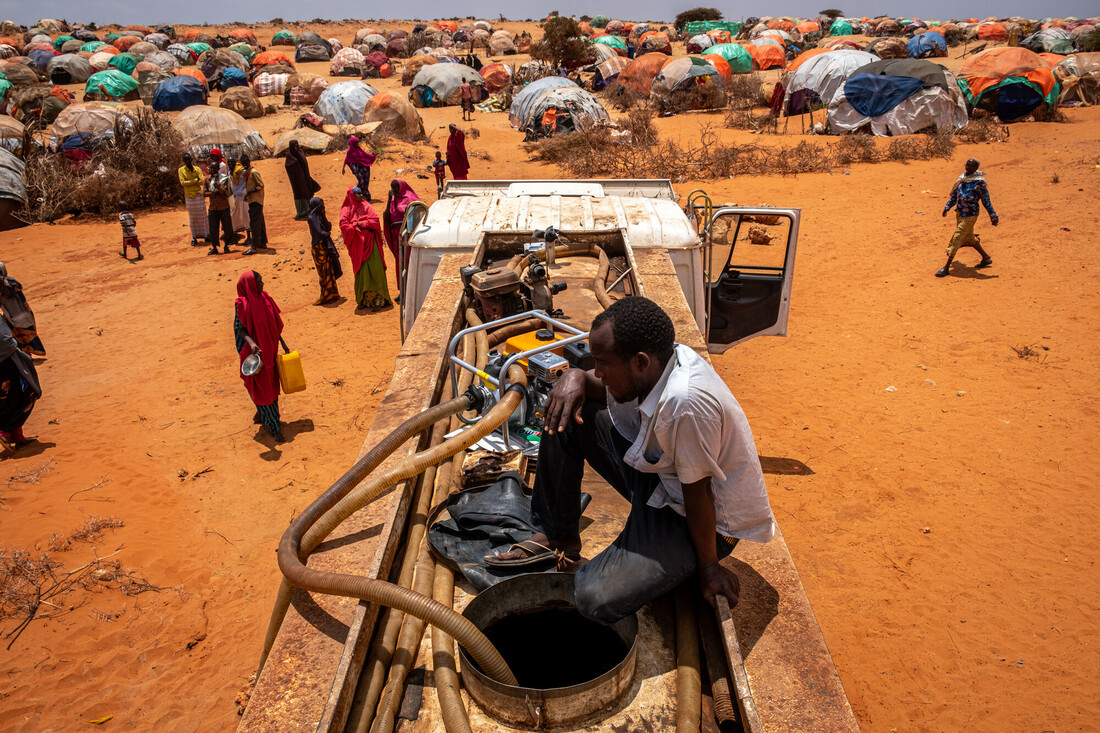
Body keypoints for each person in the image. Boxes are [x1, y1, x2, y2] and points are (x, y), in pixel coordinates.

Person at [490, 297, 774, 624]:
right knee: (562, 410)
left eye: (602, 364)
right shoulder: (656, 365)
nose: (598, 373)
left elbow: (699, 493)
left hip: (698, 517)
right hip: (663, 476)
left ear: (639, 362)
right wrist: (575, 378)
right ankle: (557, 534)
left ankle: (681, 558)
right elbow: (598, 387)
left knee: (593, 598)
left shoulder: (685, 405)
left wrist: (708, 567)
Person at [234, 270, 286, 443]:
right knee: (262, 387)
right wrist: (252, 344)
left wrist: (283, 343)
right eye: (258, 281)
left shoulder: (265, 298)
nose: (262, 284)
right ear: (250, 285)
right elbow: (240, 330)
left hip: (270, 350)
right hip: (255, 353)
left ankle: (263, 413)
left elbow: (274, 323)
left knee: (271, 385)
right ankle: (274, 427)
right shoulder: (242, 304)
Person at [937, 157, 997, 278]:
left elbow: (986, 201)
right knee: (969, 238)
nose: (968, 167)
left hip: (971, 215)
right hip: (960, 214)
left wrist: (993, 215)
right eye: (967, 165)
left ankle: (946, 268)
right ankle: (986, 258)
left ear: (976, 168)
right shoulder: (962, 179)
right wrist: (947, 207)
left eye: (971, 166)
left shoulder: (979, 183)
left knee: (957, 237)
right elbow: (955, 196)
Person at [339, 186, 391, 310]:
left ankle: (380, 301)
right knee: (362, 272)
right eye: (358, 194)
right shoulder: (345, 210)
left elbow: (375, 220)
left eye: (361, 193)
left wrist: (360, 223)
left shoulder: (366, 206)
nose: (361, 196)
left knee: (375, 269)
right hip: (358, 246)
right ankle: (364, 300)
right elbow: (344, 226)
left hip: (371, 243)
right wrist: (355, 227)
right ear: (352, 195)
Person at [0, 317, 41, 452]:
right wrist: (17, 345)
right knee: (28, 394)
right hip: (7, 363)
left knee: (12, 397)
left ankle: (17, 437)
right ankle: (5, 432)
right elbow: (6, 343)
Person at [382, 179, 421, 295]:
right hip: (397, 237)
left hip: (407, 236)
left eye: (396, 187)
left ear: (401, 187)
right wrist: (389, 200)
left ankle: (412, 290)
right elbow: (386, 217)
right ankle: (403, 291)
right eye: (392, 187)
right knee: (400, 262)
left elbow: (415, 218)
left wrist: (397, 224)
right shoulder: (393, 200)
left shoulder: (410, 199)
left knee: (409, 261)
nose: (394, 190)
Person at [0, 263, 45, 356]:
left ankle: (27, 353)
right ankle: (26, 353)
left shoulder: (9, 283)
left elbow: (19, 297)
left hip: (16, 314)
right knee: (21, 334)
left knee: (22, 334)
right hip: (15, 314)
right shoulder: (10, 283)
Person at [305, 197, 341, 305]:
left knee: (329, 270)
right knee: (324, 273)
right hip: (318, 248)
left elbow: (327, 227)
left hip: (325, 245)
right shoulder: (311, 218)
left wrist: (324, 215)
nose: (322, 207)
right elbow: (319, 231)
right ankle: (326, 296)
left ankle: (333, 294)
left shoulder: (320, 216)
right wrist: (325, 233)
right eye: (320, 205)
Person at [204, 149, 236, 255]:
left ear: (218, 169)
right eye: (211, 168)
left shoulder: (224, 178)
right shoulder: (207, 180)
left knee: (227, 227)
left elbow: (226, 193)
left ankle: (226, 246)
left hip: (224, 207)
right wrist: (213, 193)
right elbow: (204, 193)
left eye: (214, 168)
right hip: (213, 207)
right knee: (213, 229)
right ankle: (214, 247)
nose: (213, 170)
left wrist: (218, 187)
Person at [285, 139, 320, 220]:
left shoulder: (300, 153)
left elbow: (304, 164)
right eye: (294, 146)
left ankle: (308, 210)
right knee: (298, 193)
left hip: (304, 177)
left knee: (305, 191)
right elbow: (288, 166)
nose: (296, 147)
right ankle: (300, 212)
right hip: (295, 180)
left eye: (296, 145)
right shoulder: (290, 157)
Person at [241, 154, 268, 255]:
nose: (244, 165)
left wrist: (251, 192)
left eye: (245, 162)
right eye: (243, 163)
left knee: (254, 224)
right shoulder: (248, 173)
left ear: (249, 162)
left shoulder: (253, 172)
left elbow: (261, 185)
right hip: (253, 200)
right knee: (260, 222)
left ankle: (254, 247)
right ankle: (262, 242)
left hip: (256, 201)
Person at [178, 152, 207, 246]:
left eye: (189, 159)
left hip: (198, 195)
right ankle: (194, 237)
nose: (187, 161)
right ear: (183, 161)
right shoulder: (181, 170)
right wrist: (195, 180)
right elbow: (183, 183)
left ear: (191, 159)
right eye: (185, 159)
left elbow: (201, 181)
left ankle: (206, 235)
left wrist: (189, 181)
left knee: (203, 216)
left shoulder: (197, 169)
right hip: (189, 196)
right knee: (193, 217)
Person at [227, 155, 251, 246]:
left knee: (246, 216)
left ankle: (249, 237)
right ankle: (234, 236)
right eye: (229, 163)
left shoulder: (241, 171)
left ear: (235, 163)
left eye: (232, 162)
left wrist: (247, 191)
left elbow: (248, 178)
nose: (230, 164)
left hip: (243, 195)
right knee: (233, 216)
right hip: (235, 195)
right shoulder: (229, 172)